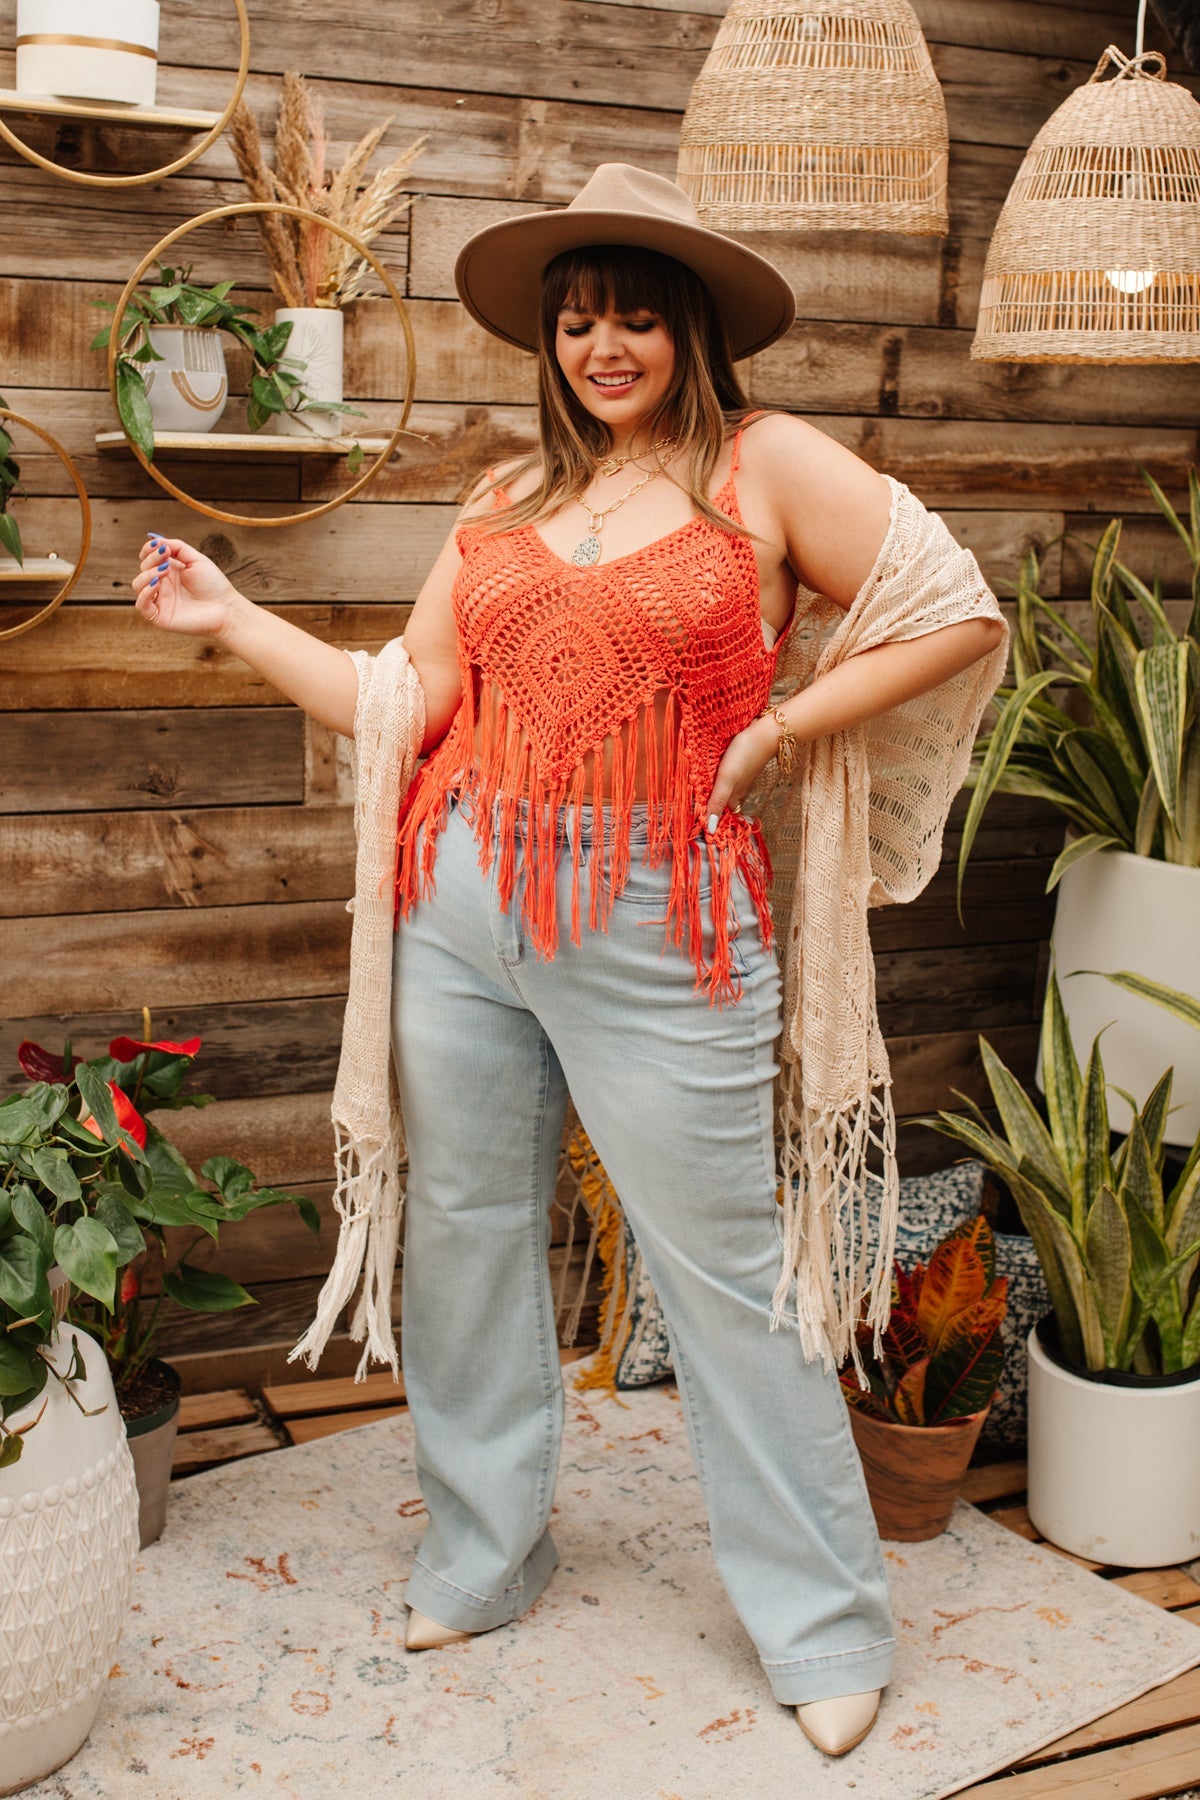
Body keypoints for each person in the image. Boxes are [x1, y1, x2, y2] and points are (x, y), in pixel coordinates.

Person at [131, 164, 1007, 1758]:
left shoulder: (765, 466)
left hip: (666, 924)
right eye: (578, 319)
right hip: (458, 906)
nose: (604, 346)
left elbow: (953, 614)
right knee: (466, 1239)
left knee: (731, 1281)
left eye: (635, 317)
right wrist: (235, 619)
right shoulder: (501, 503)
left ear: (687, 330)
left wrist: (786, 725)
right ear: (551, 339)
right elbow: (403, 704)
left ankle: (821, 1626)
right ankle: (485, 1553)